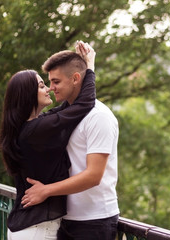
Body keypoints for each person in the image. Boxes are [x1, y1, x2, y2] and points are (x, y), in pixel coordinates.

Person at [0, 42, 96, 240]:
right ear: (28, 95)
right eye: (42, 85)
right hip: (37, 231)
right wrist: (91, 66)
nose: (49, 89)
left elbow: (71, 107)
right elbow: (85, 103)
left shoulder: (30, 126)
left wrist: (81, 71)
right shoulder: (37, 130)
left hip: (27, 228)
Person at [21, 43, 120, 240]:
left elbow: (93, 175)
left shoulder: (99, 117)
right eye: (49, 82)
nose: (51, 88)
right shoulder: (66, 115)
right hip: (65, 219)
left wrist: (46, 191)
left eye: (56, 81)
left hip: (94, 221)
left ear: (75, 79)